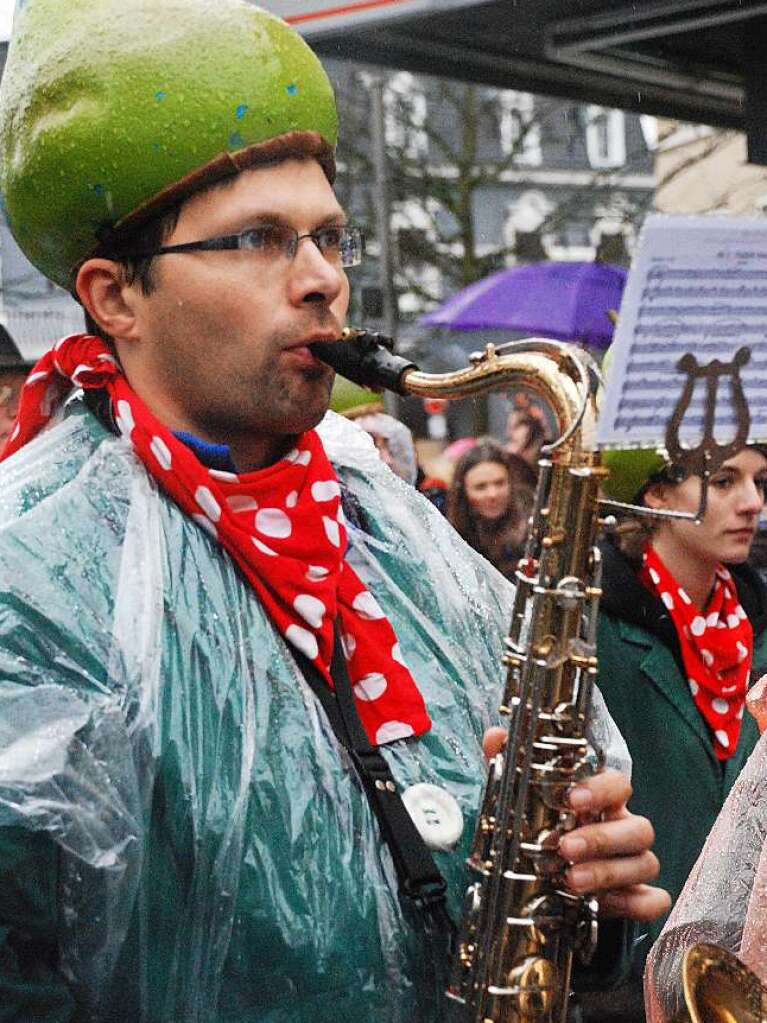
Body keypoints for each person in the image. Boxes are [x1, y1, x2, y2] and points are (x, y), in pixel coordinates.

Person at [0, 3, 667, 1020]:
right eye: (261, 239)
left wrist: (588, 907)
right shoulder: (29, 575)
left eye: (327, 235)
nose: (323, 280)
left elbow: (512, 866)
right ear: (113, 296)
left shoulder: (382, 516)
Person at [588, 442, 767, 1021]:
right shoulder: (594, 627)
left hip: (736, 966)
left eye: (759, 481)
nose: (751, 504)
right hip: (623, 971)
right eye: (722, 481)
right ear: (656, 495)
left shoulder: (755, 621)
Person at [446, 437, 536, 578]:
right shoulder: (451, 537)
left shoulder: (533, 529)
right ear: (464, 492)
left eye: (499, 483)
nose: (492, 494)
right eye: (480, 487)